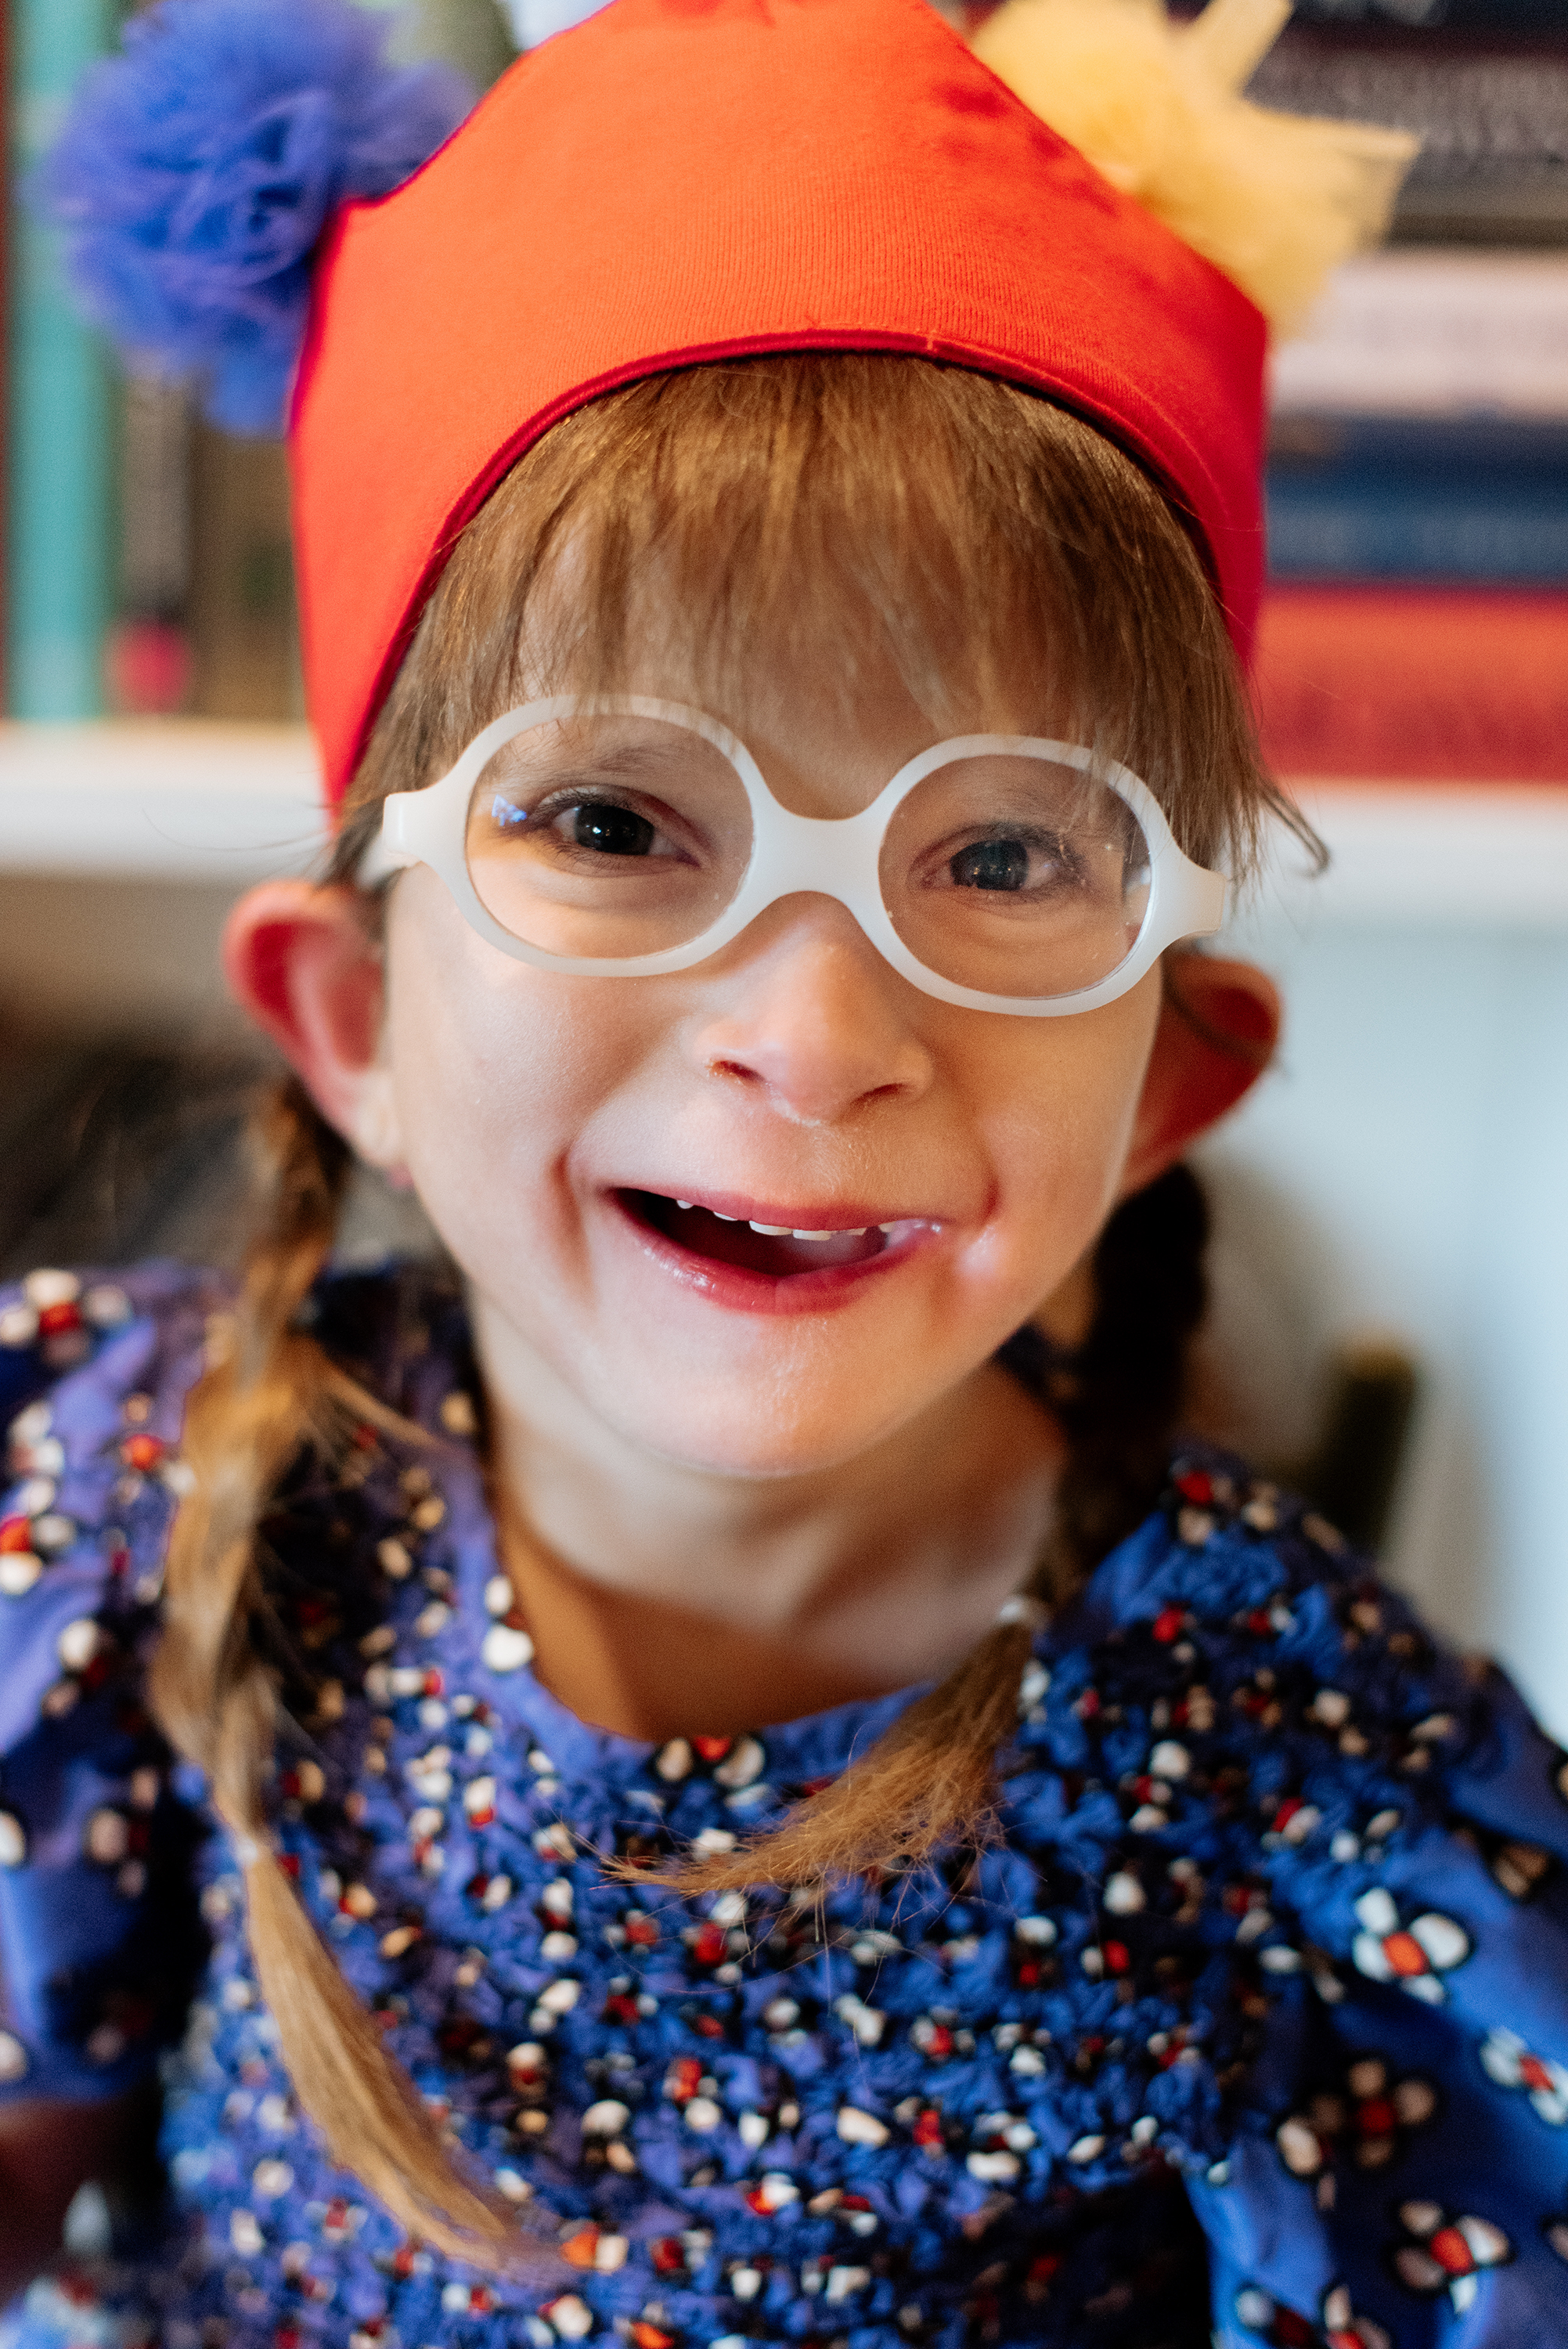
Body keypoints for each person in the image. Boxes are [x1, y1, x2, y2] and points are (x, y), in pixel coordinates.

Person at [5, 0, 1566, 2342]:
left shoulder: (1309, 1787)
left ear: (1169, 1079)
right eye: (615, 822)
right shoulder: (120, 1525)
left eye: (1004, 856)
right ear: (351, 1021)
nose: (818, 1039)